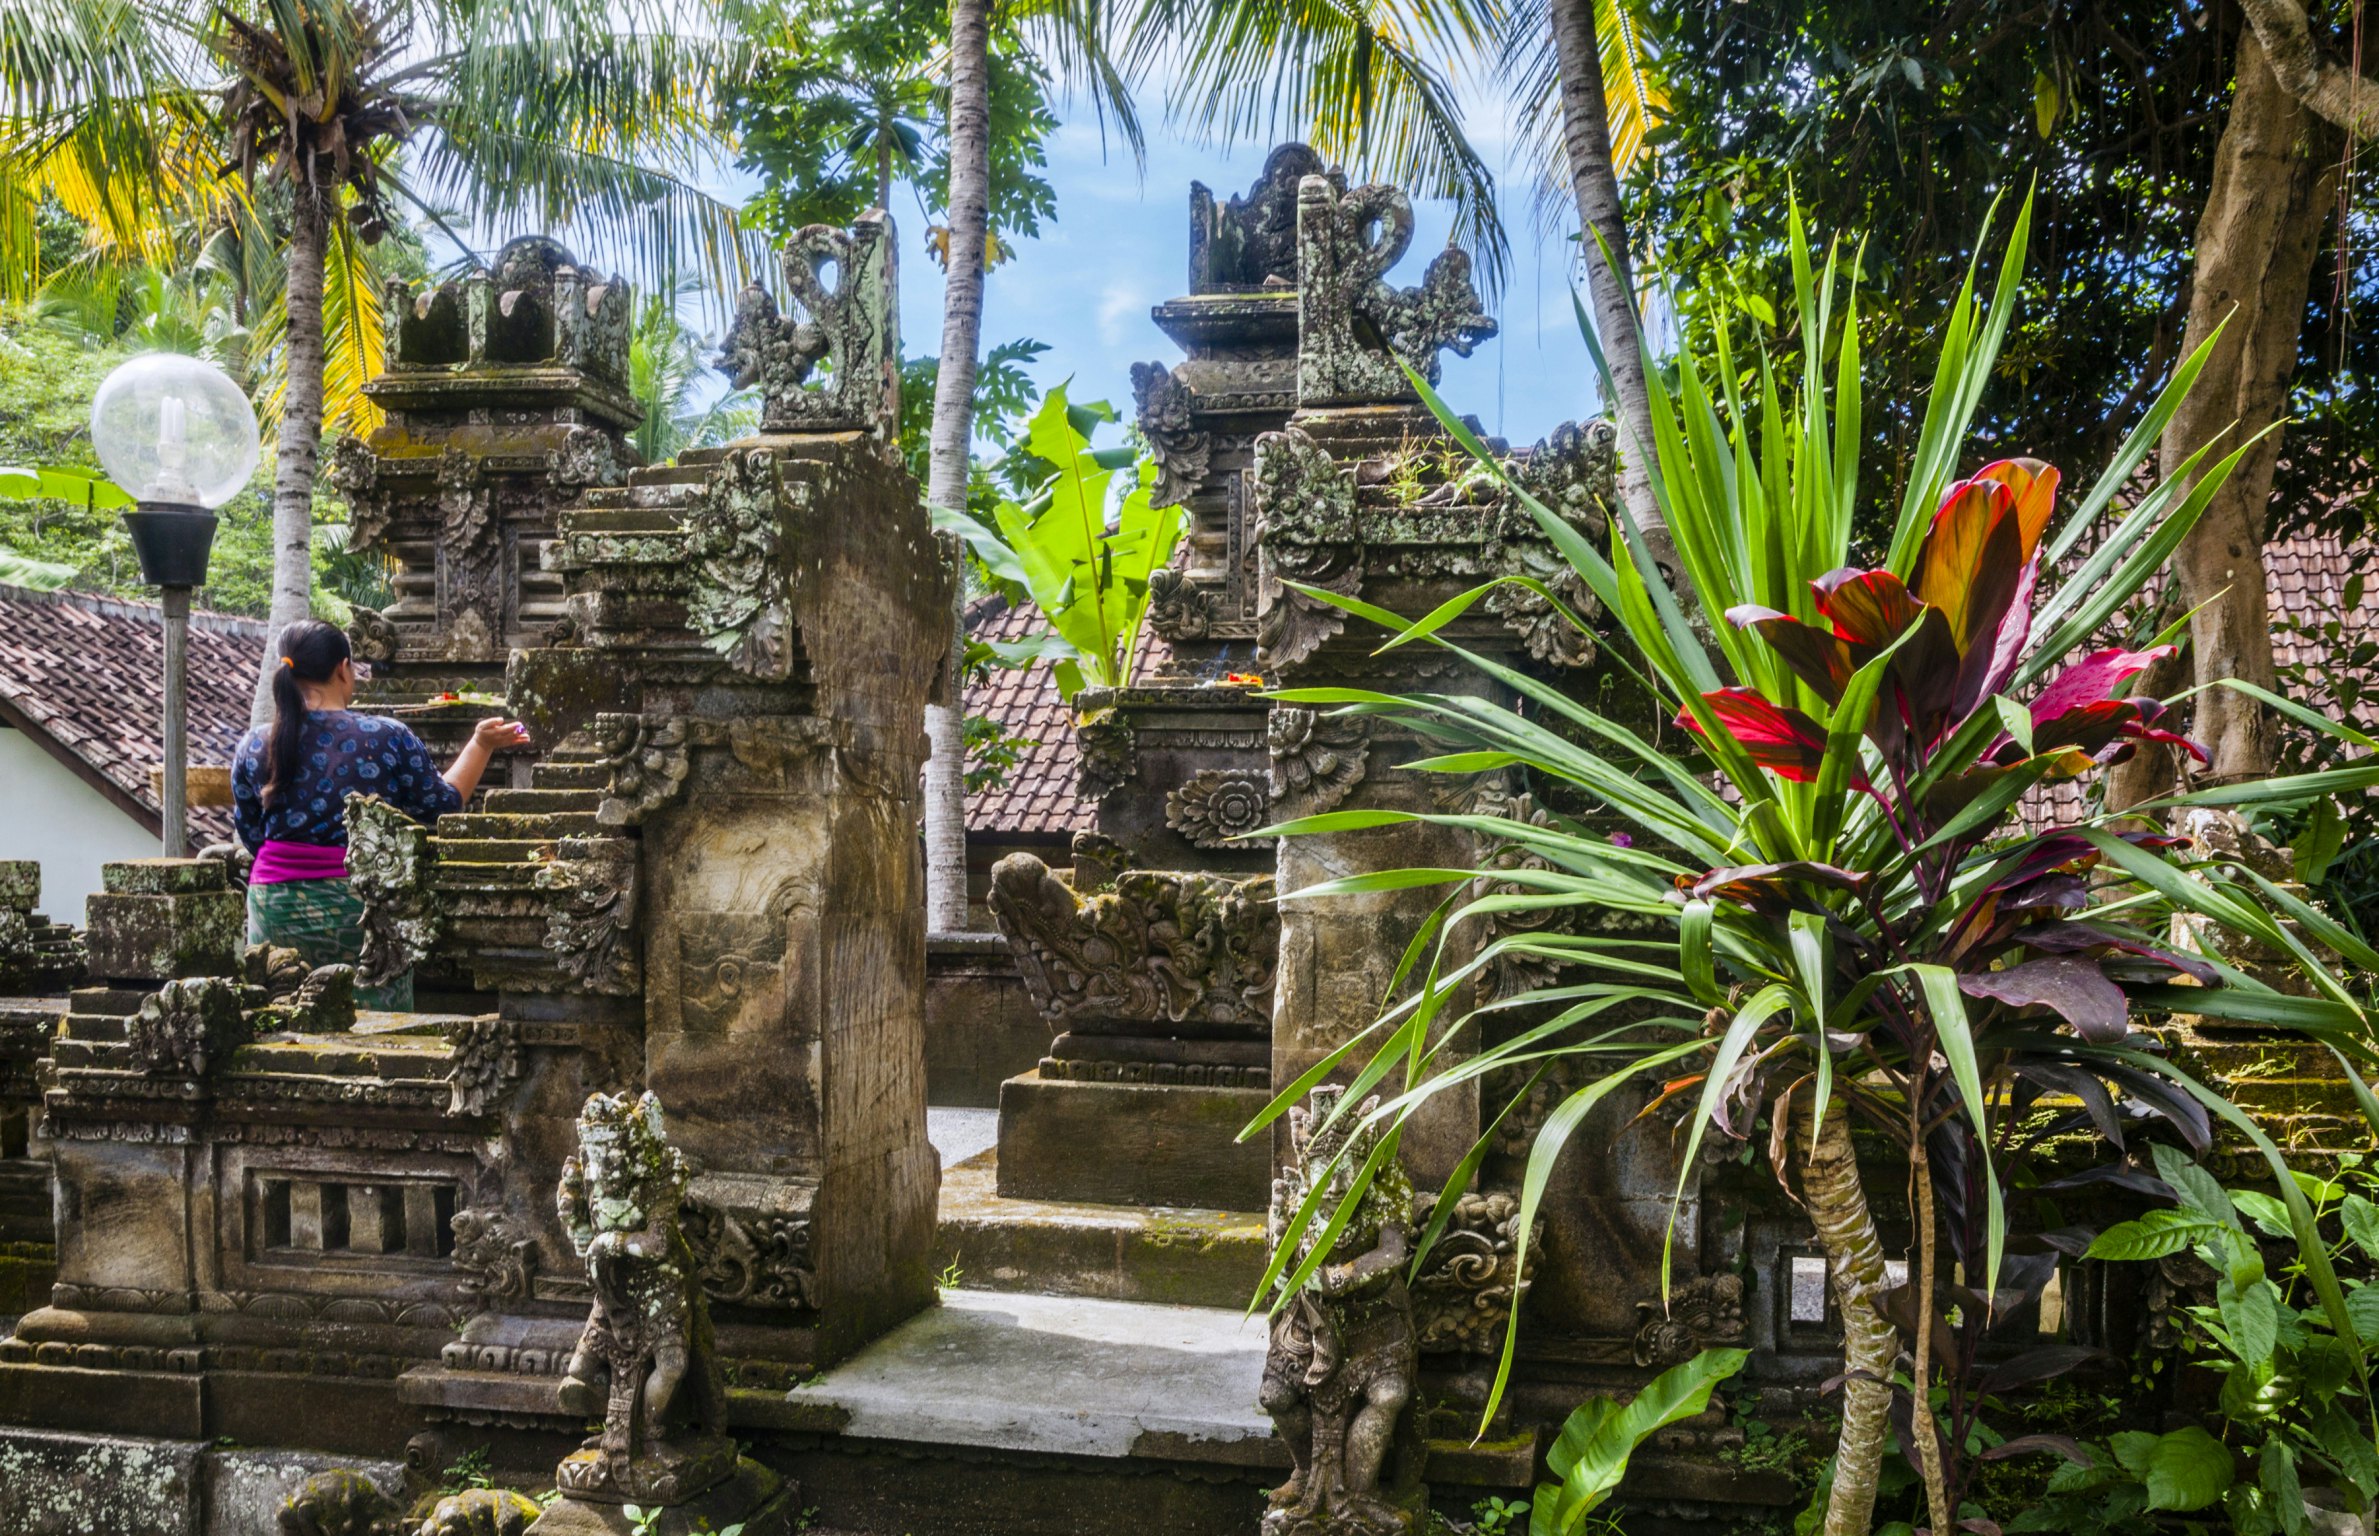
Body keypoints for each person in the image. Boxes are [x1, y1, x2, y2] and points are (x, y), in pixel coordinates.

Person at [231, 619, 528, 1010]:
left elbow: (252, 833)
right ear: (343, 669)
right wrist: (481, 744)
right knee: (374, 1020)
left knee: (280, 1013)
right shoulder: (385, 736)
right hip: (361, 907)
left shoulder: (254, 744)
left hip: (274, 902)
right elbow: (441, 805)